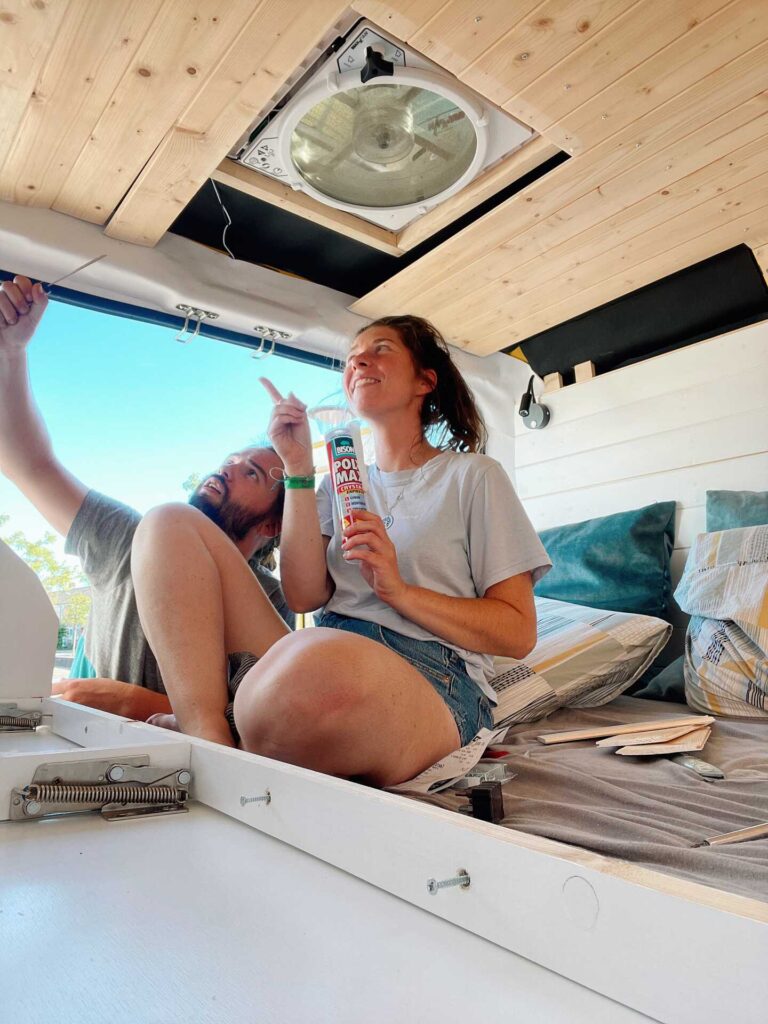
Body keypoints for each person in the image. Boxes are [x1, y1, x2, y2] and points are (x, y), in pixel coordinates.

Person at [135, 314, 551, 786]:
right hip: (319, 654)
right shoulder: (336, 484)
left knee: (309, 672)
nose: (359, 360)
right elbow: (304, 597)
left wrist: (398, 591)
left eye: (380, 349)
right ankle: (209, 736)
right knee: (167, 522)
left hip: (432, 677)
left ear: (425, 381)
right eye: (352, 356)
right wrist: (296, 468)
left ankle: (244, 723)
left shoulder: (473, 477)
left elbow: (517, 632)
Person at [0, 275, 292, 721]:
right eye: (231, 458)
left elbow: (267, 718)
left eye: (250, 472)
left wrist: (130, 703)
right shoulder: (128, 537)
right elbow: (29, 464)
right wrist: (11, 352)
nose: (228, 467)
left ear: (272, 526)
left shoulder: (270, 599)